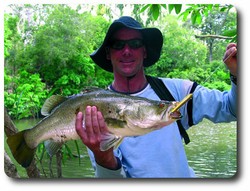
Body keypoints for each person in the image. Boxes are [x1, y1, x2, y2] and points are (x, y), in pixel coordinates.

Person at [75, 16, 237, 178]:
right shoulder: (93, 110)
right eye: (118, 44)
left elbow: (231, 108)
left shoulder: (177, 91)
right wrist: (103, 156)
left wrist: (238, 74)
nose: (127, 51)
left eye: (135, 44)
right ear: (108, 53)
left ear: (144, 51)